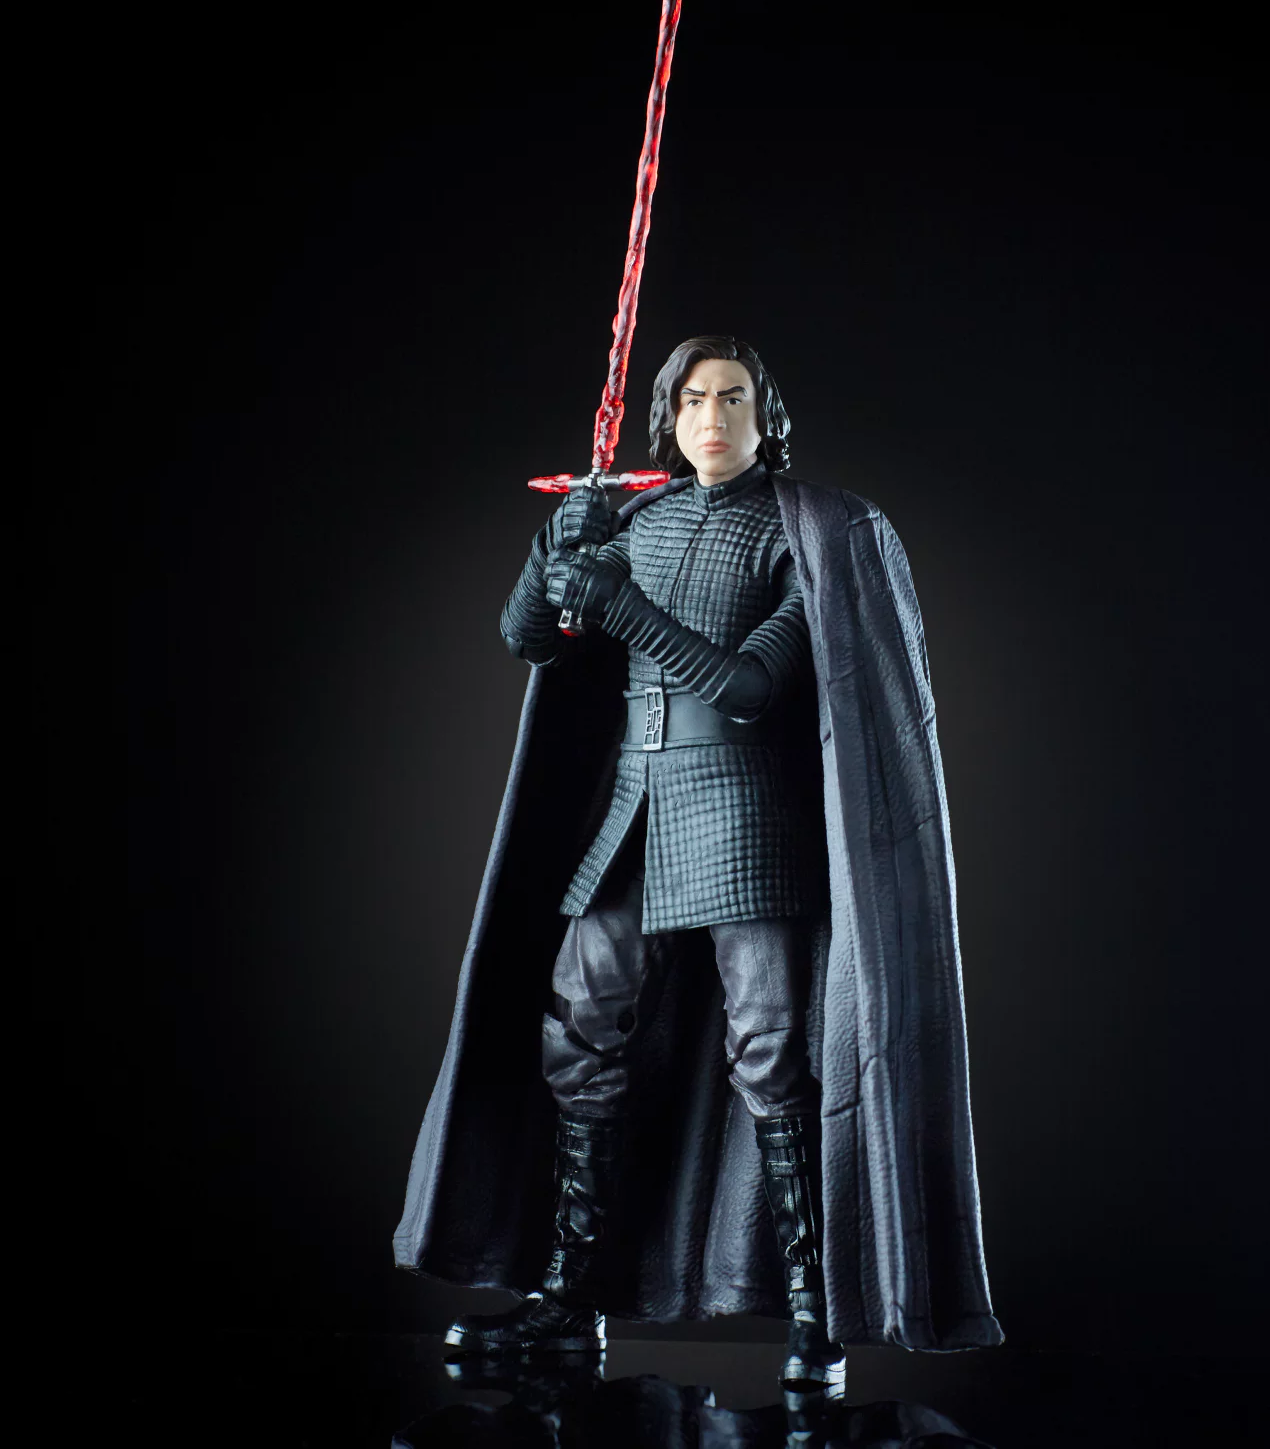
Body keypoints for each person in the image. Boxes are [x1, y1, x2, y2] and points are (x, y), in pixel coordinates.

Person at [395, 337, 1002, 1389]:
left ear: (768, 415)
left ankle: (811, 1313)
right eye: (690, 400)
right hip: (632, 813)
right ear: (666, 419)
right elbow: (531, 638)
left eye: (731, 398)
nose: (710, 418)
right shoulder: (639, 519)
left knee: (772, 1056)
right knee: (577, 1033)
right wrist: (553, 549)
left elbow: (751, 688)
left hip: (742, 819)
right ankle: (568, 1299)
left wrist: (622, 604)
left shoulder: (805, 534)